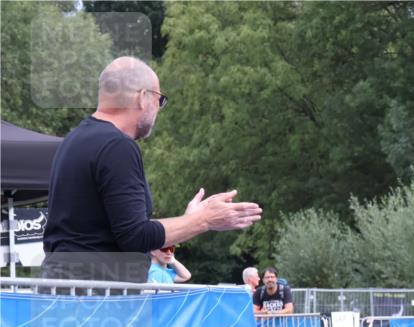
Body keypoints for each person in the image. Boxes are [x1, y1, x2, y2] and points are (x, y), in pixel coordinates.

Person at [42, 56, 262, 281]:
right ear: (142, 97)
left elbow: (112, 230)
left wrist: (187, 220)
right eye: (160, 99)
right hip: (98, 299)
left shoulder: (74, 139)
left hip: (69, 292)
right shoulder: (118, 146)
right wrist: (205, 219)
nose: (158, 109)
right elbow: (135, 236)